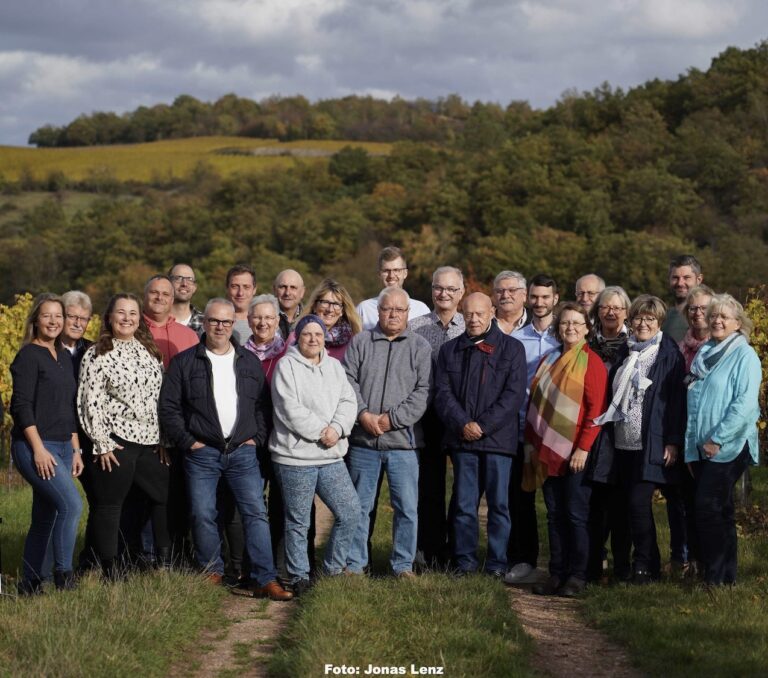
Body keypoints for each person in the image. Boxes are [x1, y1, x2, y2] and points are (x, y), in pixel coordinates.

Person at [158, 298, 292, 600]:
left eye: (226, 322)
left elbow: (262, 405)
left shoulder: (248, 361)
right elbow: (169, 408)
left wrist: (256, 437)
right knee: (203, 512)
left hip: (243, 453)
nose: (220, 327)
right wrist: (188, 441)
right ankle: (212, 571)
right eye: (215, 321)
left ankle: (264, 578)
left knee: (256, 513)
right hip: (201, 453)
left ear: (234, 325)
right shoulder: (185, 362)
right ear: (205, 323)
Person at [590, 295, 686, 584]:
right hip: (621, 443)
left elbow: (675, 402)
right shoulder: (625, 351)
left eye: (650, 319)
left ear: (659, 323)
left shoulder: (667, 353)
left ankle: (646, 565)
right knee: (621, 508)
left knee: (638, 505)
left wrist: (671, 441)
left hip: (651, 444)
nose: (643, 324)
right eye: (638, 318)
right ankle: (626, 566)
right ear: (630, 322)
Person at [77, 293, 170, 579]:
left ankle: (164, 561)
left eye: (132, 313)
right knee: (109, 505)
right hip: (116, 440)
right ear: (109, 317)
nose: (127, 318)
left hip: (151, 441)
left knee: (163, 497)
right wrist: (102, 443)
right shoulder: (96, 354)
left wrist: (164, 439)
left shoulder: (149, 350)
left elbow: (160, 397)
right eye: (121, 312)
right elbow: (89, 401)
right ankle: (110, 569)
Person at [435, 293, 527, 577]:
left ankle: (497, 563)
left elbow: (513, 396)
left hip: (498, 442)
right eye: (469, 314)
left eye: (480, 314)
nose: (474, 319)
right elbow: (442, 393)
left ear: (492, 313)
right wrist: (463, 423)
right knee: (463, 505)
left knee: (499, 506)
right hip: (463, 441)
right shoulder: (450, 350)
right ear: (462, 314)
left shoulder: (512, 349)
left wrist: (483, 426)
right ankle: (465, 562)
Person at [270, 315, 361, 595]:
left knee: (350, 512)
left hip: (331, 455)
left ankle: (332, 569)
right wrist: (322, 431)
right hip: (296, 458)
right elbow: (289, 408)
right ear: (298, 337)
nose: (313, 339)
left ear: (324, 337)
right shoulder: (286, 366)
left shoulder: (335, 367)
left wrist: (337, 428)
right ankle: (299, 576)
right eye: (307, 334)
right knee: (299, 520)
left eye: (318, 334)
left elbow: (348, 400)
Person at [344, 287, 432, 576]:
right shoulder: (361, 342)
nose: (392, 314)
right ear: (377, 310)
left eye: (399, 309)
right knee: (359, 507)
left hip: (403, 445)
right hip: (363, 442)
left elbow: (423, 393)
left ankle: (402, 565)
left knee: (406, 508)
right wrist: (363, 415)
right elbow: (348, 381)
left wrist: (391, 420)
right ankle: (356, 565)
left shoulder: (420, 347)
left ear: (408, 313)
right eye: (386, 309)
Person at [525, 301, 607, 596]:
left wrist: (583, 449)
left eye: (576, 323)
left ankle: (578, 576)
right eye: (565, 323)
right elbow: (538, 405)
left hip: (575, 454)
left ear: (587, 328)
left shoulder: (592, 363)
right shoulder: (549, 359)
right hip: (547, 452)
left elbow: (596, 412)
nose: (570, 327)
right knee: (555, 515)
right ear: (558, 328)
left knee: (575, 515)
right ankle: (556, 573)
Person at [685, 294, 761, 585]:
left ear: (738, 324)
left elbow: (745, 405)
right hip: (703, 448)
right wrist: (692, 449)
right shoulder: (705, 353)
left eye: (724, 317)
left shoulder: (745, 356)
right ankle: (726, 578)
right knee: (721, 510)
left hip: (729, 445)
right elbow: (693, 404)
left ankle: (714, 578)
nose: (716, 320)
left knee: (709, 506)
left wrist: (717, 438)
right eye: (713, 315)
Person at [10, 293, 84, 594]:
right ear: (36, 321)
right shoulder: (28, 356)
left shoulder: (64, 356)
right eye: (47, 316)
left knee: (46, 515)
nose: (54, 322)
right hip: (36, 446)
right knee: (71, 505)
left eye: (58, 316)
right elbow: (21, 407)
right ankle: (63, 575)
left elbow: (69, 406)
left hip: (65, 445)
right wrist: (38, 449)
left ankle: (31, 583)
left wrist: (76, 448)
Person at [504, 275, 560, 584]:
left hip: (554, 431)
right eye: (535, 297)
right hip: (521, 427)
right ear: (528, 299)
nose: (540, 302)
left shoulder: (564, 337)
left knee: (555, 500)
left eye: (545, 297)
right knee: (520, 498)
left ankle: (560, 563)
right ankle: (523, 560)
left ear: (555, 298)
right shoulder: (517, 339)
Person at [410, 266, 466, 568]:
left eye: (450, 289)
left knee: (463, 488)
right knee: (429, 485)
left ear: (462, 292)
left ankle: (456, 550)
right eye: (438, 288)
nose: (443, 294)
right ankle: (429, 549)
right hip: (427, 415)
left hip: (461, 415)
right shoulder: (415, 326)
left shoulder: (472, 325)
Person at [60, 290, 97, 572]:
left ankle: (89, 560)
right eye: (71, 316)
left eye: (82, 318)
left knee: (98, 499)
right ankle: (55, 564)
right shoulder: (47, 349)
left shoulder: (92, 350)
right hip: (58, 435)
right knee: (61, 503)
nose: (76, 322)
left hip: (89, 436)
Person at [356, 246, 430, 331]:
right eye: (386, 271)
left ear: (405, 273)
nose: (391, 275)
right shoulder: (364, 310)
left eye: (396, 270)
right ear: (379, 274)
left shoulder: (421, 310)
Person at [295, 279, 362, 360]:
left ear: (342, 311)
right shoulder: (296, 337)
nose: (330, 309)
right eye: (325, 302)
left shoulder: (354, 343)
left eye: (336, 304)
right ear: (315, 306)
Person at [143, 275, 200, 368]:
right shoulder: (130, 330)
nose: (159, 297)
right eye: (154, 292)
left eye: (165, 294)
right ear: (144, 296)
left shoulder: (190, 336)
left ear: (172, 300)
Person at [244, 294, 288, 383]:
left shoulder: (287, 354)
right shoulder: (240, 355)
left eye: (268, 317)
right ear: (249, 321)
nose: (263, 323)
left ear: (277, 321)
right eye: (257, 317)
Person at [662, 255, 703, 343]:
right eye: (675, 278)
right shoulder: (662, 317)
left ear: (699, 280)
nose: (680, 283)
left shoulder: (709, 316)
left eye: (686, 278)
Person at [589, 286, 631, 367]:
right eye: (605, 307)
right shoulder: (586, 340)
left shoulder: (635, 341)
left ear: (626, 313)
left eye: (616, 308)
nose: (610, 313)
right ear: (597, 311)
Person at [679, 285, 715, 372]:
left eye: (704, 308)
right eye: (693, 308)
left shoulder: (720, 346)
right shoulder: (679, 349)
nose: (698, 313)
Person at [169, 263, 204, 336]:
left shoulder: (205, 323)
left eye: (189, 279)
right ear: (168, 284)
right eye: (178, 278)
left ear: (194, 287)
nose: (184, 284)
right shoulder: (156, 321)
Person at [226, 264, 258, 345]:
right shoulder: (212, 322)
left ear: (254, 290)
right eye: (235, 286)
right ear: (227, 288)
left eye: (246, 287)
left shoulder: (268, 324)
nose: (240, 293)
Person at [273, 269, 305, 339]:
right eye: (283, 287)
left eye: (293, 288)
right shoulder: (263, 318)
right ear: (274, 290)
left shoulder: (310, 319)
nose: (287, 293)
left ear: (302, 292)